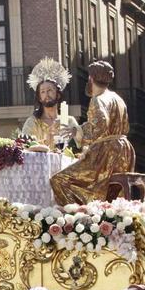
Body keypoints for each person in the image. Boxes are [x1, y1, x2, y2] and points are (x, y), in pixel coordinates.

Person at [48, 60, 135, 205]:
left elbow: (100, 126)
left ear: (91, 79)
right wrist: (79, 130)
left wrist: (77, 131)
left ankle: (82, 216)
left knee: (59, 180)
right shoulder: (117, 98)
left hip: (106, 153)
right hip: (124, 150)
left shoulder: (98, 100)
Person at [22, 58, 83, 149]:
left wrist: (75, 132)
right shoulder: (32, 122)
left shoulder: (69, 121)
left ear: (58, 95)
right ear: (39, 98)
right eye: (42, 92)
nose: (46, 94)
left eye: (50, 90)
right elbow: (24, 146)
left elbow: (83, 143)